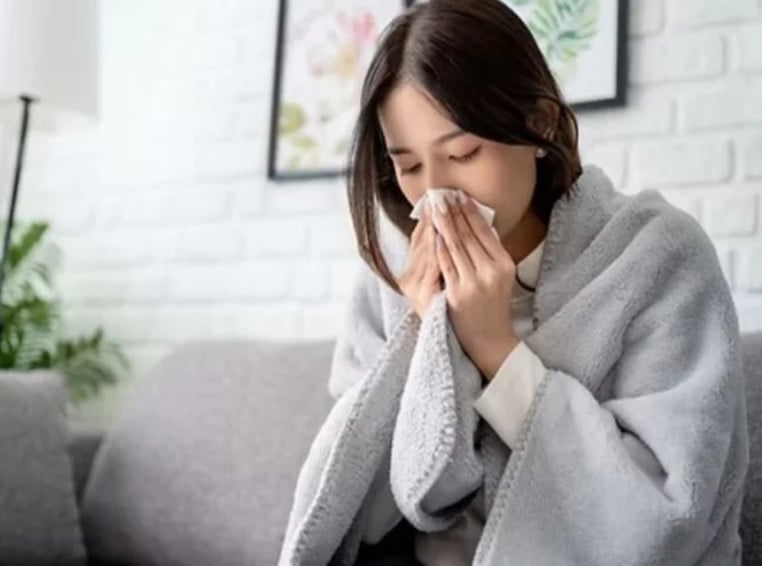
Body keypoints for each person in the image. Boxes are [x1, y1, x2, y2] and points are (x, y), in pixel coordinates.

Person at [279, 1, 749, 564]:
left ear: (540, 123)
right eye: (409, 166)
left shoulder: (655, 257)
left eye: (463, 153)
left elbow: (664, 517)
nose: (436, 193)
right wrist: (423, 338)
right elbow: (357, 510)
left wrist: (494, 348)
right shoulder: (392, 275)